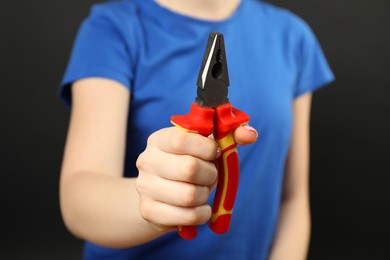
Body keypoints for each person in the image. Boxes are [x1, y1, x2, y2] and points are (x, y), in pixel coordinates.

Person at [59, 0, 334, 259]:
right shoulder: (111, 29)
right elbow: (78, 201)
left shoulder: (292, 37)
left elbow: (292, 199)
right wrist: (152, 200)